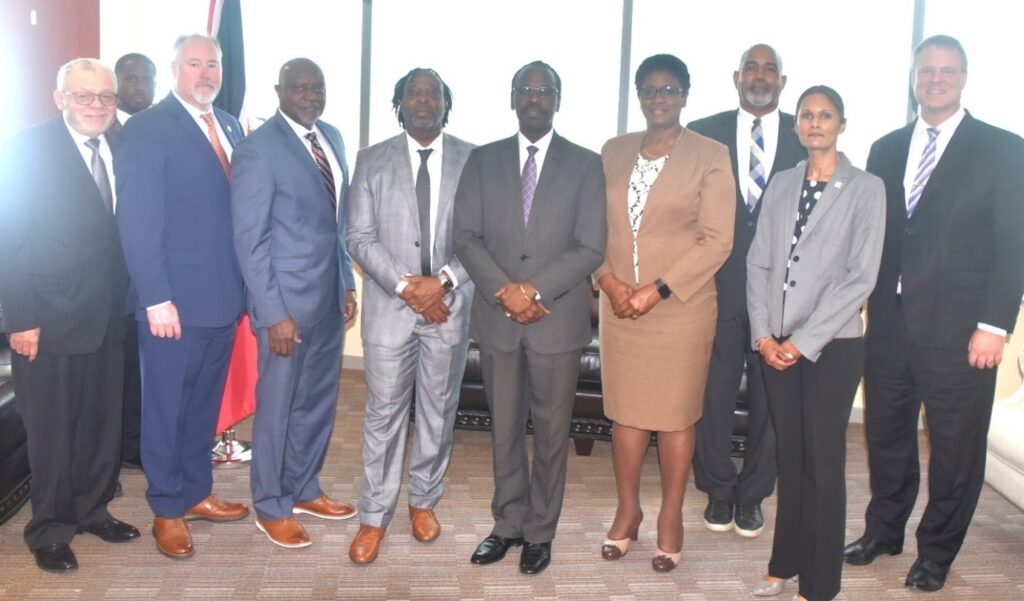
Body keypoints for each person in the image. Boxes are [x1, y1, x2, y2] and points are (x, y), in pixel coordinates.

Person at [844, 35, 1024, 593]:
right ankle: (884, 531)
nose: (936, 79)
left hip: (964, 331)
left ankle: (937, 551)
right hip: (891, 325)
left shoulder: (1004, 148)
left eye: (947, 70)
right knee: (888, 435)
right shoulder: (885, 148)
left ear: (964, 78)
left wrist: (994, 326)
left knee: (955, 448)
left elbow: (1012, 243)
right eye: (927, 70)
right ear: (914, 78)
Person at [453, 61, 606, 575]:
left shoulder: (585, 164)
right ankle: (507, 524)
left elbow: (590, 246)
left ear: (558, 100)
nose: (535, 97)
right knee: (503, 431)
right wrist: (505, 292)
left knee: (552, 432)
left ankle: (541, 531)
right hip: (498, 321)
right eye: (526, 89)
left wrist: (534, 289)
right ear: (512, 98)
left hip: (555, 322)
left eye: (545, 90)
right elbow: (466, 238)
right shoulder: (483, 160)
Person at [596, 54, 734, 573]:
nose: (659, 98)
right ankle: (628, 510)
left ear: (685, 95)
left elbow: (718, 239)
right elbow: (594, 230)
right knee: (626, 413)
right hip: (619, 306)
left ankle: (671, 517)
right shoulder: (611, 151)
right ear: (638, 95)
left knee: (676, 417)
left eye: (670, 90)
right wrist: (608, 283)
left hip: (681, 308)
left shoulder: (711, 154)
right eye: (650, 89)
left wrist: (656, 290)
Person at [0, 58, 139, 572]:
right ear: (60, 98)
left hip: (110, 312)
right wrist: (22, 319)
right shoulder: (26, 149)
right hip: (48, 317)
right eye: (84, 96)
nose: (97, 106)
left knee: (102, 423)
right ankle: (51, 529)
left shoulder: (123, 144)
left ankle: (93, 509)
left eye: (105, 96)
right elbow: (9, 240)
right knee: (53, 430)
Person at [747, 85, 885, 601]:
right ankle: (784, 562)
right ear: (796, 124)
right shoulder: (781, 183)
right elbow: (758, 261)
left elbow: (860, 277)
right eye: (806, 114)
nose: (814, 122)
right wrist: (763, 333)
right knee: (791, 458)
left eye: (825, 115)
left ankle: (822, 583)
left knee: (823, 463)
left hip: (832, 348)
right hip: (774, 345)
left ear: (842, 124)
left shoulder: (867, 188)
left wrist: (802, 342)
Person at [116, 34, 249, 560]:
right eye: (194, 63)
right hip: (171, 303)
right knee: (167, 408)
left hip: (222, 299)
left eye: (212, 64)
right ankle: (166, 508)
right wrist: (155, 297)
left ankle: (195, 493)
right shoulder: (149, 130)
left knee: (201, 406)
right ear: (174, 69)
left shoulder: (231, 126)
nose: (205, 73)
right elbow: (138, 221)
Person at [346, 68, 475, 564]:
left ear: (446, 103)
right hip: (389, 308)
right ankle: (373, 516)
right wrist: (406, 287)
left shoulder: (472, 160)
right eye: (414, 93)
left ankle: (423, 502)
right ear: (399, 104)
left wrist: (440, 282)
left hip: (449, 306)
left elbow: (480, 238)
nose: (423, 101)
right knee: (383, 414)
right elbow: (358, 236)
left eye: (433, 93)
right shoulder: (372, 159)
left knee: (438, 412)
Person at [231, 58, 358, 549]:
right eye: (299, 87)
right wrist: (273, 313)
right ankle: (270, 503)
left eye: (317, 87)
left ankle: (304, 487)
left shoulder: (332, 136)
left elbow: (337, 225)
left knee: (317, 403)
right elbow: (250, 238)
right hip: (284, 306)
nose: (310, 95)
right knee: (279, 406)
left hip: (328, 299)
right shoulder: (258, 150)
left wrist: (346, 282)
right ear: (278, 91)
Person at [687, 44, 805, 537]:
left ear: (782, 79)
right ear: (737, 77)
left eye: (769, 69)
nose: (760, 76)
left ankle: (754, 494)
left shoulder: (807, 136)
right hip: (715, 288)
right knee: (710, 395)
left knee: (772, 399)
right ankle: (718, 489)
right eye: (752, 68)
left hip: (782, 295)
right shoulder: (702, 133)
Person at [112, 51, 156, 473]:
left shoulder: (159, 132)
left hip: (153, 274)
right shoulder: (103, 134)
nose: (139, 86)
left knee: (148, 368)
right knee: (120, 369)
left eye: (146, 79)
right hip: (110, 277)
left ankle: (142, 442)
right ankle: (122, 447)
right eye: (130, 79)